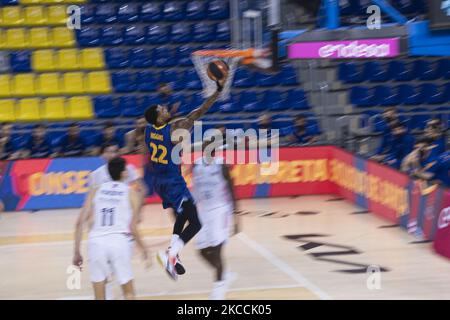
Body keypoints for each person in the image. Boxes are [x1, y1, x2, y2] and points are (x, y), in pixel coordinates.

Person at [143, 75, 226, 280]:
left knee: (182, 215)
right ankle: (169, 254)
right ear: (159, 118)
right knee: (197, 223)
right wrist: (216, 92)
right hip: (172, 182)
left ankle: (174, 253)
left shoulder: (147, 130)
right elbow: (198, 112)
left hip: (159, 182)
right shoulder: (173, 128)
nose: (166, 109)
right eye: (162, 110)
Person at [73, 157, 149, 300]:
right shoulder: (131, 193)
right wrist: (144, 249)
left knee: (99, 296)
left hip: (95, 242)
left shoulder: (95, 191)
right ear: (124, 174)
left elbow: (79, 223)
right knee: (128, 293)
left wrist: (76, 252)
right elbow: (133, 227)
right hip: (119, 242)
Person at [192, 134, 239, 300]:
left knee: (217, 250)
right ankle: (225, 274)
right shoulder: (196, 165)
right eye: (205, 146)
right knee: (202, 251)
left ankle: (218, 289)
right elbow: (195, 190)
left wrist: (236, 217)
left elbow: (233, 191)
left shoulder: (222, 165)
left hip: (220, 210)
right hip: (203, 211)